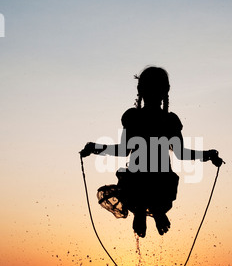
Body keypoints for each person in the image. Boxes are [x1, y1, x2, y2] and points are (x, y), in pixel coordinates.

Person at [80, 66, 223, 238]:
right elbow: (181, 154)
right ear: (166, 91)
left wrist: (95, 148)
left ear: (140, 90)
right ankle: (155, 211)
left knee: (135, 184)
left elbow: (123, 150)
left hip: (136, 182)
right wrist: (208, 155)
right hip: (161, 183)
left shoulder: (134, 117)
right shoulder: (169, 120)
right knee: (153, 184)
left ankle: (141, 211)